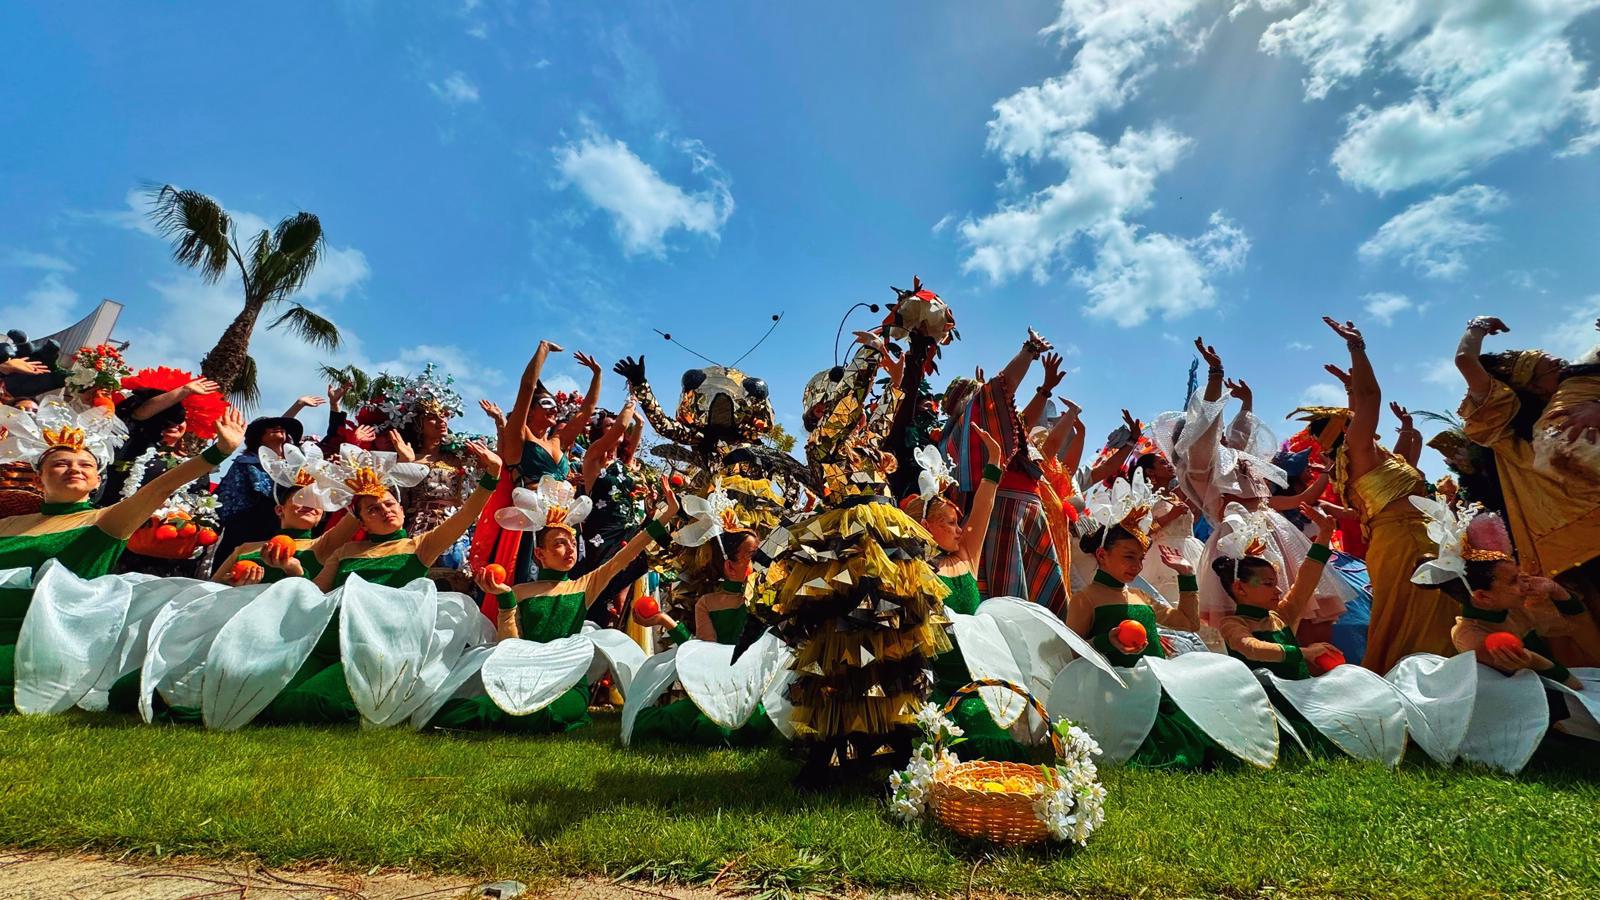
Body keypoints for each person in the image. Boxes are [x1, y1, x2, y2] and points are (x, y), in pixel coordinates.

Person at [0, 398, 246, 712]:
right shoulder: (9, 522)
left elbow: (159, 488)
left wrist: (218, 452)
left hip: (39, 637)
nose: (74, 468)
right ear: (39, 478)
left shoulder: (108, 520)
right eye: (61, 463)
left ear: (96, 480)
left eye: (85, 465)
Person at [249, 441, 497, 725]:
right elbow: (316, 596)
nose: (385, 510)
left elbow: (465, 517)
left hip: (379, 648)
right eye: (373, 510)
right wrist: (293, 568)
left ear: (402, 510)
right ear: (362, 522)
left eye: (389, 504)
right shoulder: (345, 552)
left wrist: (492, 476)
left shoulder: (420, 546)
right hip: (331, 641)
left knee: (311, 702)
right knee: (269, 695)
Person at [1154, 341, 1346, 630]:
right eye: (1211, 432)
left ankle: (1293, 661)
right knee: (1248, 614)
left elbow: (1240, 435)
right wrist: (1215, 377)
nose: (1219, 433)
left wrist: (1246, 403)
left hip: (1275, 531)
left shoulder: (1234, 459)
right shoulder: (1199, 467)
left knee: (1294, 605)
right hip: (1236, 539)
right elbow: (1207, 423)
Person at [463, 475, 678, 733]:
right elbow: (509, 649)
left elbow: (627, 554)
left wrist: (668, 514)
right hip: (525, 676)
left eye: (572, 543)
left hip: (567, 682)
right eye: (559, 544)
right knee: (481, 710)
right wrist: (505, 602)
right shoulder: (518, 592)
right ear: (539, 554)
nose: (570, 550)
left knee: (548, 712)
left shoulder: (583, 585)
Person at [1454, 316, 1600, 665]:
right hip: (1563, 537)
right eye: (1552, 367)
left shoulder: (1576, 400)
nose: (1564, 367)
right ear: (1531, 385)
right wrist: (1476, 327)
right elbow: (1464, 361)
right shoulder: (1502, 422)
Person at [1317, 318, 1450, 673]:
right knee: (1419, 623)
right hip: (1405, 545)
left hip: (1418, 539)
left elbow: (1409, 462)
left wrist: (1407, 429)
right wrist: (1356, 347)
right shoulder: (1358, 451)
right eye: (1354, 420)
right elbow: (1369, 397)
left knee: (1430, 618)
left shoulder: (1378, 461)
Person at [1065, 478, 1219, 769]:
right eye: (1128, 557)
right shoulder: (1086, 599)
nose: (1136, 566)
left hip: (1158, 690)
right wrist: (1104, 642)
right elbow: (1073, 652)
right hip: (1118, 696)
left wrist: (1186, 576)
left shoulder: (1139, 596)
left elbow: (1188, 622)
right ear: (1102, 555)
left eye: (1140, 558)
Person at [905, 430, 1035, 760]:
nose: (960, 529)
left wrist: (994, 461)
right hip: (936, 685)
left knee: (986, 735)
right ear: (927, 527)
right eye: (950, 522)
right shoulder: (916, 571)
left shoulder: (966, 557)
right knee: (934, 740)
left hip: (977, 680)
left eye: (958, 521)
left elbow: (984, 506)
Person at [471, 340, 602, 583]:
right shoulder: (518, 437)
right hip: (528, 523)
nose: (555, 410)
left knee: (558, 583)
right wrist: (543, 351)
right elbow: (527, 387)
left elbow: (587, 411)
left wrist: (597, 375)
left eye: (555, 405)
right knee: (525, 579)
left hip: (559, 523)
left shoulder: (557, 442)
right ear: (530, 410)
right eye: (547, 404)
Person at [1214, 503, 1341, 680]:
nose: (1279, 590)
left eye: (1275, 583)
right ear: (1240, 588)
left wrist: (1325, 534)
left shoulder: (1278, 616)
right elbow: (1252, 648)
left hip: (1299, 695)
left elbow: (1305, 581)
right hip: (1268, 702)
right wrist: (1303, 652)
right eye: (1268, 584)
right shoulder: (1233, 624)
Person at [210, 443, 358, 586]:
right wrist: (232, 583)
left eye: (316, 502)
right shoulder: (245, 549)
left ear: (320, 516)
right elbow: (213, 586)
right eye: (300, 497)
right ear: (280, 510)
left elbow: (359, 513)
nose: (309, 504)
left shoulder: (324, 544)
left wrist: (294, 569)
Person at [575, 398, 648, 627]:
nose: (616, 427)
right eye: (608, 425)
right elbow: (620, 428)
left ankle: (614, 636)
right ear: (599, 432)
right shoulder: (593, 458)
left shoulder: (622, 462)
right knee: (603, 586)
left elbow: (638, 428)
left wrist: (637, 418)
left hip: (628, 532)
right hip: (601, 535)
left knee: (622, 593)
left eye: (616, 424)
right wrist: (629, 403)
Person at [214, 409, 311, 567]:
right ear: (258, 437)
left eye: (281, 426)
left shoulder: (302, 466)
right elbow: (225, 501)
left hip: (287, 536)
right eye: (269, 426)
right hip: (247, 533)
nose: (278, 427)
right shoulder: (245, 464)